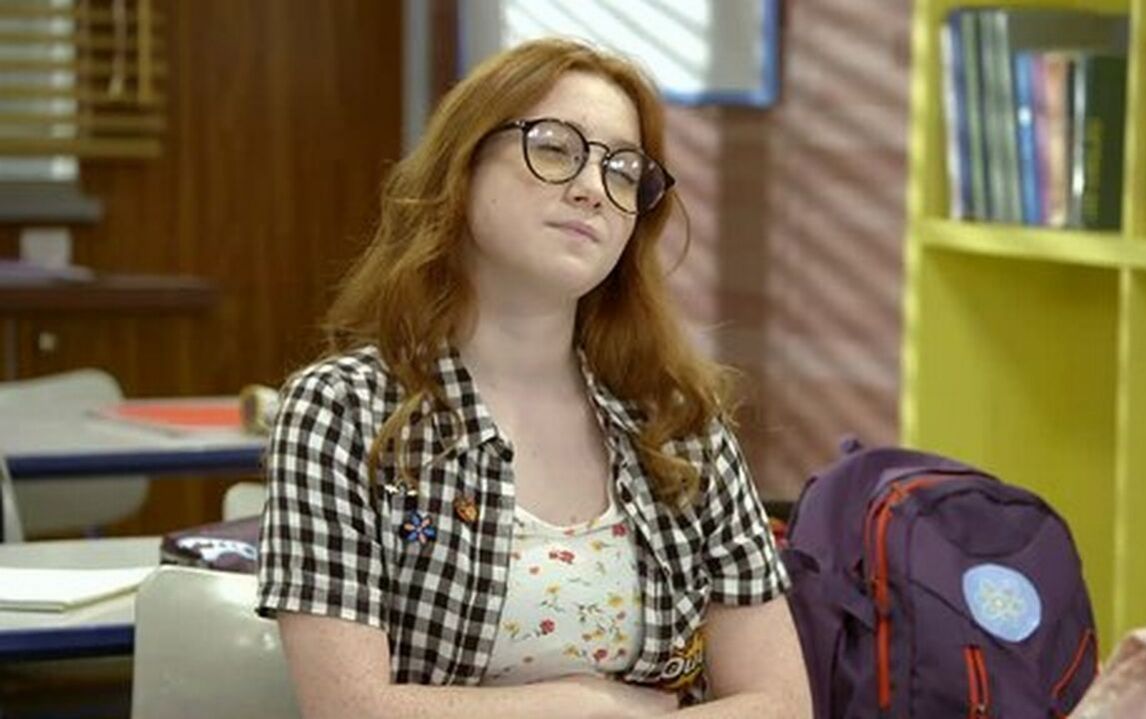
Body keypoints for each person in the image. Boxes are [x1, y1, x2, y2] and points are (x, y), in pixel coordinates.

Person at [256, 37, 811, 719]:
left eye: (622, 170)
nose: (592, 189)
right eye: (554, 148)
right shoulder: (343, 410)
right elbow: (349, 710)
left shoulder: (678, 424)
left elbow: (780, 703)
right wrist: (591, 706)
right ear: (462, 166)